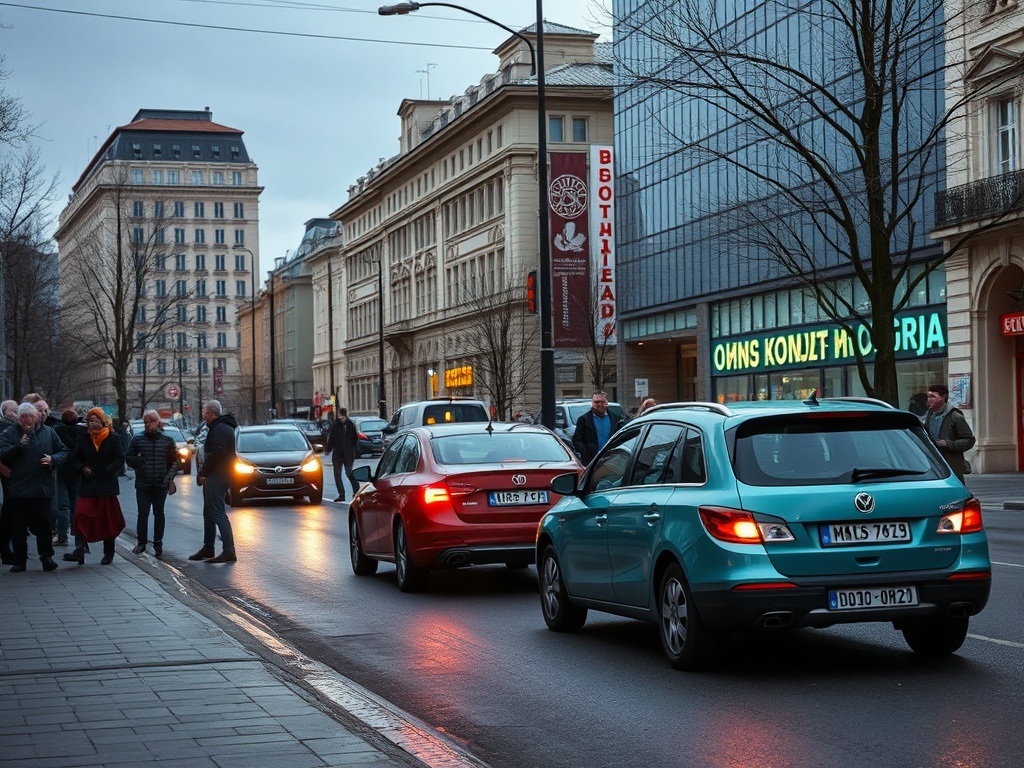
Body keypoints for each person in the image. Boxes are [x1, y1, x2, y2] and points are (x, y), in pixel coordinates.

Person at [0, 402, 67, 572]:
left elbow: (63, 451)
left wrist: (53, 460)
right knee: (18, 526)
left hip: (42, 487)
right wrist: (19, 446)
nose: (27, 420)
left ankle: (47, 557)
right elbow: (2, 454)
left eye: (30, 416)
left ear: (36, 417)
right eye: (23, 417)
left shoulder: (48, 432)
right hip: (19, 488)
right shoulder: (10, 433)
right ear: (18, 418)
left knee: (43, 524)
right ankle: (20, 560)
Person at [64, 408, 126, 565]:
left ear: (102, 421)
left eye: (96, 420)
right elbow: (74, 457)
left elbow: (119, 458)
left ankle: (108, 553)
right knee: (81, 514)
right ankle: (80, 550)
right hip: (89, 485)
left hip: (107, 485)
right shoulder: (83, 438)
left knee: (108, 520)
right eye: (90, 421)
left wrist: (108, 470)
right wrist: (81, 468)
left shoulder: (112, 438)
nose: (93, 423)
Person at [189, 399, 238, 563]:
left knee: (217, 512)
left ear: (213, 413)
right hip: (219, 474)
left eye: (206, 412)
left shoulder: (220, 429)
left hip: (218, 475)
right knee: (209, 513)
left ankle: (229, 550)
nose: (204, 415)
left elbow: (218, 453)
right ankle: (208, 547)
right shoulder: (220, 427)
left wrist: (203, 472)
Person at [125, 410, 178, 557]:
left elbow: (175, 461)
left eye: (151, 421)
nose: (148, 425)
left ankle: (158, 544)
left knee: (159, 513)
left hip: (161, 484)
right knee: (143, 513)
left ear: (158, 422)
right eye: (146, 422)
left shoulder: (167, 440)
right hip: (143, 483)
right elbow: (128, 457)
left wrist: (168, 478)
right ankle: (141, 543)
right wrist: (140, 464)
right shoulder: (137, 439)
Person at [924, 384, 976, 483]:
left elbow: (969, 440)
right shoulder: (929, 416)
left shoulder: (955, 417)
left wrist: (947, 444)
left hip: (951, 465)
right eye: (928, 396)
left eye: (933, 397)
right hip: (934, 464)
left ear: (943, 397)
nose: (929, 399)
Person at [53, 408, 86, 547]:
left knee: (62, 506)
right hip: (77, 472)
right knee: (76, 505)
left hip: (61, 470)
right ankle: (78, 533)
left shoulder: (56, 431)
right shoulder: (83, 432)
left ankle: (62, 535)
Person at [572, 391, 624, 465]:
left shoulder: (615, 419)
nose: (599, 404)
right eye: (596, 402)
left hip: (612, 459)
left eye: (602, 402)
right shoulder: (584, 419)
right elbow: (576, 439)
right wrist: (586, 452)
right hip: (592, 460)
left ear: (607, 403)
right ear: (592, 403)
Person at [324, 408, 359, 503]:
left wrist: (353, 450)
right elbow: (331, 437)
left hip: (348, 454)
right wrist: (328, 449)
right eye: (340, 417)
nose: (341, 419)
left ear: (345, 416)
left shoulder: (350, 425)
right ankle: (341, 494)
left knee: (349, 473)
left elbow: (355, 439)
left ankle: (356, 490)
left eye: (343, 417)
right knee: (337, 475)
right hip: (338, 454)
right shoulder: (335, 425)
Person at [0, 399, 18, 564]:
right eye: (12, 411)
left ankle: (6, 547)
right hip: (5, 473)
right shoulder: (4, 428)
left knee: (10, 509)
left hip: (13, 474)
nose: (15, 414)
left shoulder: (16, 428)